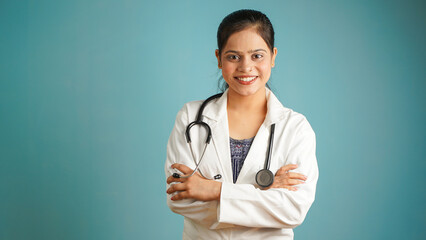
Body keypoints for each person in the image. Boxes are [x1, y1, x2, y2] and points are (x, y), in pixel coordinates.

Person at [165, 9, 318, 239]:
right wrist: (263, 196)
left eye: (257, 55)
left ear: (273, 56)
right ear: (218, 58)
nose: (246, 67)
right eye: (233, 56)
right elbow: (179, 200)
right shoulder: (191, 117)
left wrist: (213, 190)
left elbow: (292, 210)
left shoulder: (296, 128)